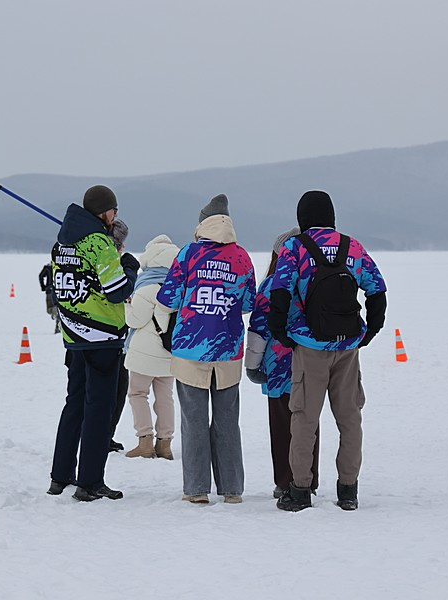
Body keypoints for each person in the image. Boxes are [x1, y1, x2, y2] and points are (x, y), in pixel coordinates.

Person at [268, 190, 387, 512]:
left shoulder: (295, 248)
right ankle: (348, 490)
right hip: (348, 346)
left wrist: (282, 334)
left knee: (304, 419)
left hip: (309, 346)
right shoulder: (352, 246)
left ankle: (300, 490)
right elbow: (377, 289)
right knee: (350, 419)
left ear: (302, 218)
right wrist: (369, 332)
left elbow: (279, 293)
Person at [157, 194, 256, 504]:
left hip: (190, 350)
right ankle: (232, 489)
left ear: (202, 224)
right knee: (227, 421)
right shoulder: (241, 257)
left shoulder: (188, 254)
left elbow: (167, 299)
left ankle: (197, 489)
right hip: (227, 351)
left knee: (194, 420)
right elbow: (250, 303)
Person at [47, 185, 138, 502]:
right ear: (104, 211)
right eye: (114, 210)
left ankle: (60, 476)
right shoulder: (99, 243)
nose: (116, 215)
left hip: (74, 337)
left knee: (74, 404)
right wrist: (129, 267)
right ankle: (90, 482)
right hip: (101, 337)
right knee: (99, 410)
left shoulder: (62, 245)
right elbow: (116, 291)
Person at [245, 227, 319, 498]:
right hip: (311, 361)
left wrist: (252, 366)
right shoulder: (314, 281)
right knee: (308, 422)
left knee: (282, 424)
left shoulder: (272, 284)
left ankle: (286, 480)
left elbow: (260, 328)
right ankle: (308, 479)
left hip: (277, 366)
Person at [124, 234, 181, 460]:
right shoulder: (178, 287)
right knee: (165, 397)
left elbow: (134, 321)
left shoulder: (146, 287)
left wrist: (127, 306)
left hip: (144, 355)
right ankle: (165, 444)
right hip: (169, 353)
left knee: (138, 393)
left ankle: (145, 441)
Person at [106, 218, 133, 453]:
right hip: (111, 337)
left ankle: (106, 434)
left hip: (117, 338)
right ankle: (101, 434)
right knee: (113, 392)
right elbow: (120, 293)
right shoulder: (110, 261)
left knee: (118, 391)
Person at [38, 263, 60, 333]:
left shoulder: (48, 267)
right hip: (59, 291)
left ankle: (56, 317)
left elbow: (41, 276)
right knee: (54, 309)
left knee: (50, 309)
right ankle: (56, 315)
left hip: (50, 290)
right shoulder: (60, 266)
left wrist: (43, 287)